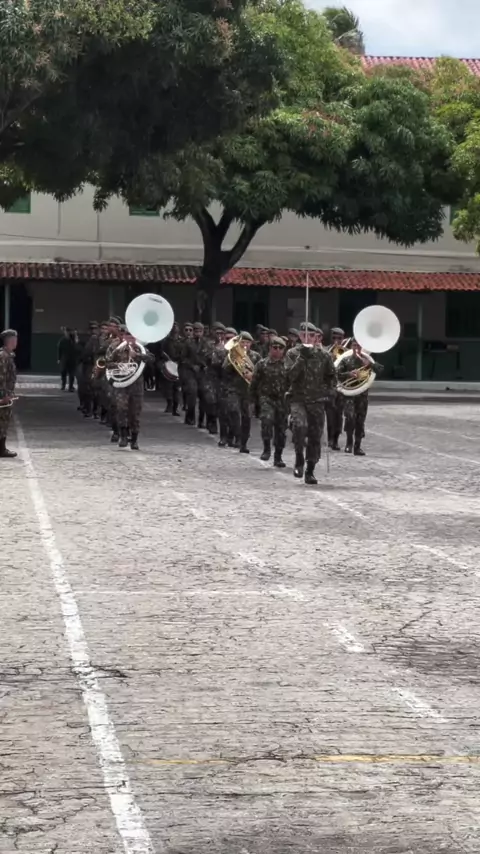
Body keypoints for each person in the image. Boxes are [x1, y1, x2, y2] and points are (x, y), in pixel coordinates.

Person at [286, 321, 336, 485]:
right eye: (305, 335)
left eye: (312, 335)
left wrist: (330, 393)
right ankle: (299, 458)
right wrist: (302, 358)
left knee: (315, 436)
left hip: (317, 401)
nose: (308, 338)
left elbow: (331, 377)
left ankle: (310, 470)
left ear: (316, 338)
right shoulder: (292, 353)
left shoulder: (324, 355)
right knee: (300, 427)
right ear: (300, 336)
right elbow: (290, 376)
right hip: (298, 399)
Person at [105, 329, 152, 450]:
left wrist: (138, 355)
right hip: (121, 384)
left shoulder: (140, 347)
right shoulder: (115, 347)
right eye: (126, 334)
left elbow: (152, 359)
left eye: (131, 334)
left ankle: (134, 439)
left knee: (135, 412)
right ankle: (123, 436)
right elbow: (107, 363)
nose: (128, 336)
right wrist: (120, 366)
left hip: (136, 385)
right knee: (121, 409)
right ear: (122, 335)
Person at [337, 337, 383, 456]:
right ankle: (349, 443)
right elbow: (336, 374)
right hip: (349, 395)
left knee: (360, 420)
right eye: (354, 345)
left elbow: (381, 369)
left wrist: (370, 364)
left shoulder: (367, 360)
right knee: (350, 417)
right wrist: (349, 374)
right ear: (351, 346)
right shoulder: (346, 360)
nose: (356, 348)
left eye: (358, 346)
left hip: (362, 396)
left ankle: (357, 446)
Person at [249, 336, 288, 467]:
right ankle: (266, 449)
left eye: (280, 348)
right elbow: (254, 383)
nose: (277, 350)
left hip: (282, 400)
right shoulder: (262, 364)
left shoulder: (288, 365)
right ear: (270, 348)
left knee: (281, 429)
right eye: (275, 347)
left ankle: (278, 457)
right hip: (267, 398)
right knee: (266, 420)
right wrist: (252, 401)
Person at [223, 331, 259, 453]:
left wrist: (252, 375)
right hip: (234, 389)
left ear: (251, 344)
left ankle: (243, 442)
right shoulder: (232, 355)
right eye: (242, 342)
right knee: (233, 411)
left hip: (248, 391)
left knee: (247, 417)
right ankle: (236, 436)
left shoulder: (255, 356)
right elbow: (224, 369)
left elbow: (261, 372)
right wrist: (232, 363)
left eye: (247, 342)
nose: (245, 345)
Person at [326, 327, 345, 451]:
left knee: (339, 415)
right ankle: (330, 439)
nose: (336, 341)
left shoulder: (347, 352)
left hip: (342, 388)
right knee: (330, 415)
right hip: (329, 388)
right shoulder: (326, 351)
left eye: (339, 338)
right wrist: (331, 357)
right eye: (334, 338)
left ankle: (336, 439)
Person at [0, 329, 18, 458]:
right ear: (11, 341)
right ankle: (1, 449)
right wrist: (3, 395)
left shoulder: (8, 355)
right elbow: (1, 377)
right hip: (3, 395)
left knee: (4, 422)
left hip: (6, 393)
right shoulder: (3, 356)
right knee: (2, 421)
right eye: (15, 339)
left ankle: (2, 448)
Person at [57, 327, 78, 392]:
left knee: (72, 374)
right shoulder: (62, 340)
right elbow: (59, 350)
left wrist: (75, 335)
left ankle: (70, 387)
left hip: (72, 359)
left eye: (68, 332)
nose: (67, 333)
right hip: (64, 359)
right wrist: (59, 359)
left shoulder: (73, 340)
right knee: (63, 372)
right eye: (66, 332)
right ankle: (63, 385)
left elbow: (77, 347)